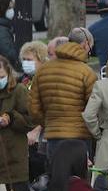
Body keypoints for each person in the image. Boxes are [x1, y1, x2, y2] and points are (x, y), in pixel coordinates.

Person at [29, 28, 98, 160]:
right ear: (85, 44)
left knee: (56, 177)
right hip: (80, 138)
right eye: (91, 47)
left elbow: (33, 107)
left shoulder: (43, 71)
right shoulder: (87, 72)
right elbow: (93, 110)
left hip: (53, 138)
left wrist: (50, 123)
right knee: (78, 179)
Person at [0, 56, 34, 191]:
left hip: (13, 155)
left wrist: (11, 118)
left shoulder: (18, 90)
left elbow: (30, 120)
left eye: (0, 76)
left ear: (8, 72)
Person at [0, 0, 18, 67]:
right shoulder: (2, 30)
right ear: (3, 9)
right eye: (9, 8)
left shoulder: (5, 26)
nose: (12, 11)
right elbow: (9, 54)